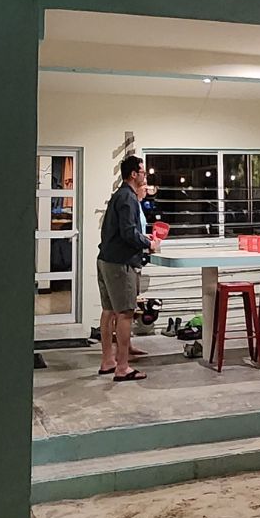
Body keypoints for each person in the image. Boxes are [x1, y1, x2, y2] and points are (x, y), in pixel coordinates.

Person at [97, 155, 158, 382]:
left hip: (105, 259)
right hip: (119, 263)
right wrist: (148, 243)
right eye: (143, 172)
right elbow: (129, 233)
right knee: (125, 314)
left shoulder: (118, 196)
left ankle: (107, 361)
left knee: (108, 311)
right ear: (134, 174)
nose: (145, 176)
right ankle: (122, 367)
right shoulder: (128, 198)